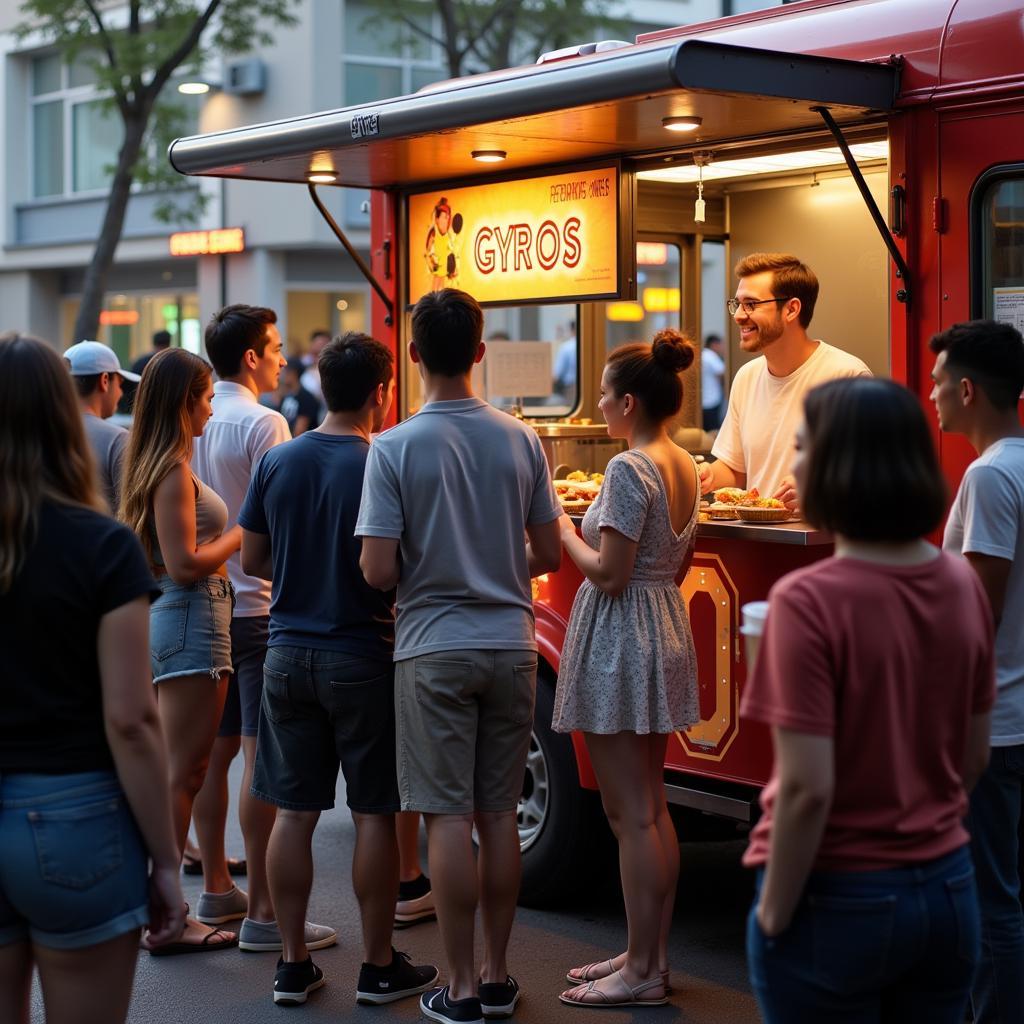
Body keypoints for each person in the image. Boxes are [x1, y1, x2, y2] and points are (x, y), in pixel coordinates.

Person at [743, 376, 994, 1022]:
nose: (791, 466)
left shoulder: (808, 601)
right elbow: (972, 758)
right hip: (947, 889)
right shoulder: (962, 583)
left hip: (837, 895)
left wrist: (773, 911)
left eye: (801, 449)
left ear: (838, 466)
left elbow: (806, 790)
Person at [357, 288, 562, 1024]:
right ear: (480, 352)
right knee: (498, 815)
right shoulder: (521, 439)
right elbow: (546, 550)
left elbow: (377, 569)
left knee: (445, 819)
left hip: (431, 650)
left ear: (413, 355)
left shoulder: (394, 446)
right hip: (512, 646)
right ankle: (501, 976)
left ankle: (462, 986)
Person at [239, 333, 438, 1006]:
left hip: (286, 653)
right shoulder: (386, 462)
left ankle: (292, 964)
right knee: (376, 813)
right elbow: (402, 565)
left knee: (294, 813)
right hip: (364, 654)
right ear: (381, 393)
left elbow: (255, 560)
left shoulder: (279, 460)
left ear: (321, 385)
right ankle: (379, 964)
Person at [0, 333, 184, 1023]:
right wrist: (166, 860)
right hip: (76, 813)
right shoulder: (101, 544)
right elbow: (132, 718)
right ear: (64, 414)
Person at [553, 329, 701, 1009]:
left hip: (622, 633)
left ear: (630, 401)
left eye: (607, 397)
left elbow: (608, 574)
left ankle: (642, 968)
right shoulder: (686, 462)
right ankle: (649, 953)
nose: (601, 408)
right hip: (663, 622)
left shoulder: (628, 468)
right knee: (650, 805)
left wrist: (560, 529)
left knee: (627, 812)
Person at [192, 304, 335, 954]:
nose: (283, 356)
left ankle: (218, 886)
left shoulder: (191, 416)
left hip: (203, 603)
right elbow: (283, 514)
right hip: (257, 608)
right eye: (274, 347)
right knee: (261, 764)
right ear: (250, 357)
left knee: (212, 756)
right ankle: (264, 916)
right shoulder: (264, 420)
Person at [119, 347, 241, 955]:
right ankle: (166, 918)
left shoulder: (166, 466)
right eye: (205, 396)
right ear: (182, 402)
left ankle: (162, 912)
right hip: (191, 618)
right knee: (182, 775)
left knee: (183, 773)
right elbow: (186, 564)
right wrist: (240, 533)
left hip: (184, 619)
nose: (212, 407)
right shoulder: (171, 470)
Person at [931, 319, 1024, 1024]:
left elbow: (977, 616)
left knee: (992, 900)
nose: (932, 397)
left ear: (967, 389)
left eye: (937, 384)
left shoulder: (990, 477)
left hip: (998, 717)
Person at [699, 253, 870, 508]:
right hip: (759, 538)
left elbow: (870, 477)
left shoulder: (847, 377)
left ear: (791, 309)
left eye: (751, 304)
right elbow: (736, 469)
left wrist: (818, 487)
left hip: (822, 542)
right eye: (737, 303)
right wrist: (708, 476)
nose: (738, 316)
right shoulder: (747, 377)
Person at [63, 339, 141, 512]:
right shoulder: (117, 439)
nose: (121, 393)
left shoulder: (42, 430)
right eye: (120, 384)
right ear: (105, 380)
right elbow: (132, 510)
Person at [276, 356, 320, 436]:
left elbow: (300, 431)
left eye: (287, 371)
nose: (283, 374)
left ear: (294, 373)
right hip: (287, 441)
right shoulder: (286, 395)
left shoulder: (306, 397)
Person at [300, 329, 330, 415]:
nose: (321, 347)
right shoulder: (302, 363)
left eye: (324, 344)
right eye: (318, 344)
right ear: (312, 344)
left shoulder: (333, 366)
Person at [700, 333, 726, 431]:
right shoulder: (710, 356)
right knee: (713, 431)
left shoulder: (703, 355)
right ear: (714, 344)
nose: (722, 348)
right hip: (711, 400)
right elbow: (723, 373)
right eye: (721, 345)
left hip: (705, 400)